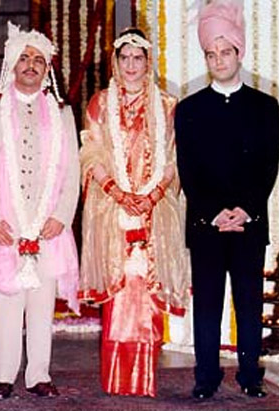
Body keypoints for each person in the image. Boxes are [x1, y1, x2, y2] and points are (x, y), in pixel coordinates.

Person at [0, 22, 80, 400]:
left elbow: (72, 172)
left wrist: (62, 216)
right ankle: (3, 374)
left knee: (42, 303)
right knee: (6, 302)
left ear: (48, 68)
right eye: (24, 58)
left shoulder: (63, 113)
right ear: (12, 64)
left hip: (47, 224)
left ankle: (39, 374)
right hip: (6, 225)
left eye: (38, 60)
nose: (31, 65)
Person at [175, 0, 279, 400]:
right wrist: (215, 212)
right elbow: (189, 169)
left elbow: (268, 166)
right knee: (207, 306)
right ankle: (205, 378)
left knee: (248, 304)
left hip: (249, 224)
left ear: (240, 52)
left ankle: (250, 376)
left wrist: (245, 210)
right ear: (205, 57)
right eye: (211, 54)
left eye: (225, 51)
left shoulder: (266, 106)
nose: (218, 60)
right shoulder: (188, 109)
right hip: (206, 224)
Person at [79, 28, 191, 397]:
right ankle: (116, 378)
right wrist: (117, 192)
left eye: (137, 58)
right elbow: (91, 153)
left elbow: (175, 158)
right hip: (114, 210)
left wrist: (154, 194)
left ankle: (145, 380)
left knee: (145, 293)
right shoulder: (100, 103)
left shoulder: (168, 105)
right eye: (124, 57)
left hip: (154, 210)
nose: (131, 65)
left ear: (147, 62)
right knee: (120, 291)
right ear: (116, 61)